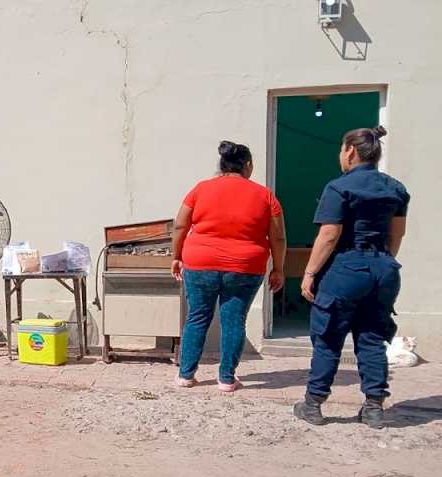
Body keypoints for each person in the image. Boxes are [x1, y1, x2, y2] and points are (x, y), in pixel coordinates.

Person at [293, 126, 409, 430]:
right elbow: (397, 234)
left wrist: (309, 273)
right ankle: (373, 408)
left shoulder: (339, 187)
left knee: (329, 336)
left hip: (346, 267)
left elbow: (330, 234)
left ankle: (313, 404)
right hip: (383, 267)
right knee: (372, 337)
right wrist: (381, 260)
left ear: (350, 152)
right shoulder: (395, 188)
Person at [171, 141, 287, 392]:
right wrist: (278, 268)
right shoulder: (265, 195)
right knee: (234, 320)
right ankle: (226, 378)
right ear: (247, 165)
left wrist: (176, 256)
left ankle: (186, 375)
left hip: (200, 262)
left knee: (197, 317)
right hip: (245, 267)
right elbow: (277, 237)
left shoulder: (200, 189)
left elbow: (180, 225)